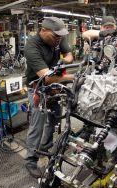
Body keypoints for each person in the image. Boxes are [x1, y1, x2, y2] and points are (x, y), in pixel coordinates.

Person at [24, 17, 74, 178]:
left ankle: (46, 147)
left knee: (54, 119)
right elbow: (45, 78)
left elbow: (69, 55)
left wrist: (62, 62)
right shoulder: (31, 46)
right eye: (55, 36)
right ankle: (30, 161)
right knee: (37, 126)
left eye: (60, 36)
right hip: (38, 89)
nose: (59, 39)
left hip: (54, 88)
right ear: (43, 30)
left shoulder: (59, 35)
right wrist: (72, 77)